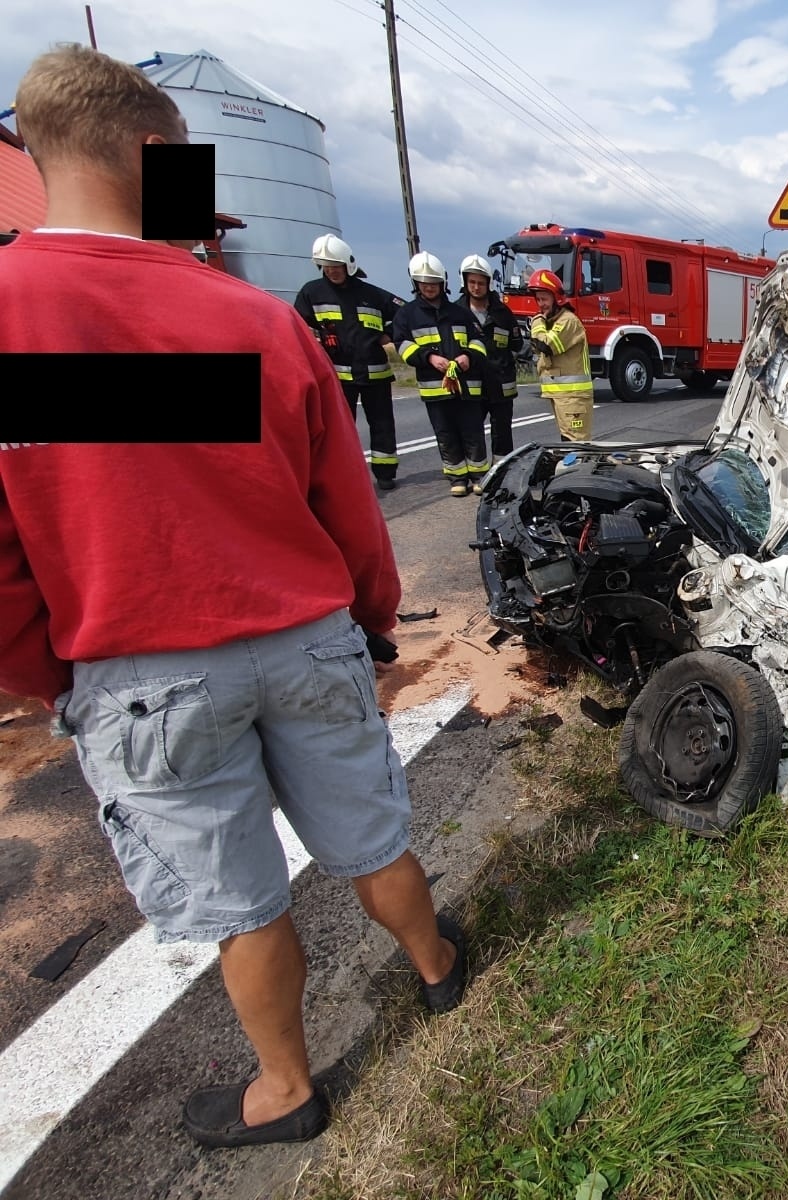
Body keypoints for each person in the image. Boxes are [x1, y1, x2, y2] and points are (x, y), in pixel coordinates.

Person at [0, 44, 467, 1150]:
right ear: (157, 154)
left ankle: (286, 1089)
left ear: (34, 150)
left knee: (241, 899)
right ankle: (438, 966)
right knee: (369, 833)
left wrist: (45, 671)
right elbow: (342, 503)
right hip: (307, 642)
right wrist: (370, 620)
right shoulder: (257, 318)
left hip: (145, 672)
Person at [293, 234, 406, 489]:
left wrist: (387, 332)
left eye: (336, 266)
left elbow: (406, 314)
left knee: (382, 424)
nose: (332, 271)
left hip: (375, 374)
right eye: (327, 266)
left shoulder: (372, 294)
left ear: (349, 265)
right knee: (339, 430)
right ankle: (343, 476)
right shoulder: (311, 293)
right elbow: (299, 325)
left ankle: (386, 473)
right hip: (337, 376)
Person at [392, 252, 490, 495]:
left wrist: (468, 356)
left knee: (473, 431)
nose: (429, 287)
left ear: (443, 283)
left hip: (466, 386)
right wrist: (428, 357)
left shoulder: (459, 312)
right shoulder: (407, 314)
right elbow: (402, 345)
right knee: (445, 433)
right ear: (416, 284)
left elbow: (479, 340)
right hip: (435, 386)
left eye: (434, 283)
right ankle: (457, 478)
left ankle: (479, 476)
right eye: (424, 283)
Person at [458, 254, 524, 465]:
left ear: (488, 284)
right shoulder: (456, 312)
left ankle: (502, 471)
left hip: (500, 383)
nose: (476, 287)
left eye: (480, 283)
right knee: (472, 430)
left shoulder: (502, 313)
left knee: (502, 431)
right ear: (465, 283)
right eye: (472, 282)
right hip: (471, 384)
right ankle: (477, 472)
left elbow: (516, 344)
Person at [525, 268, 593, 441]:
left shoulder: (567, 321)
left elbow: (545, 345)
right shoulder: (553, 322)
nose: (541, 304)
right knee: (568, 441)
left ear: (556, 298)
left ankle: (581, 469)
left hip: (573, 397)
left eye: (545, 299)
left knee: (576, 444)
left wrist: (537, 320)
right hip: (562, 396)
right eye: (538, 299)